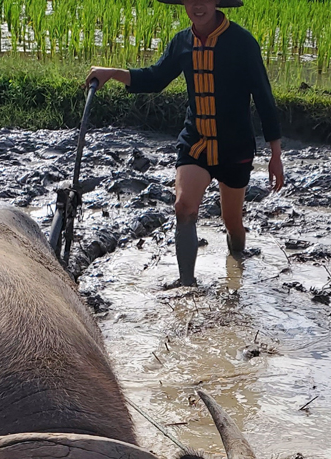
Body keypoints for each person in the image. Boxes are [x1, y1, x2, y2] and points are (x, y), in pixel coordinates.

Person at [86, 0, 283, 287]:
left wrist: (275, 153)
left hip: (234, 146)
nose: (198, 6)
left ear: (217, 1)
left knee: (232, 222)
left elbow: (264, 98)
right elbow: (154, 78)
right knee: (184, 207)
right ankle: (187, 285)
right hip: (196, 142)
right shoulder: (182, 42)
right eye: (191, 0)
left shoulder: (242, 43)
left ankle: (237, 262)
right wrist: (113, 72)